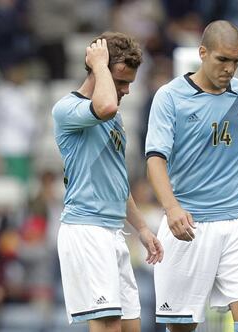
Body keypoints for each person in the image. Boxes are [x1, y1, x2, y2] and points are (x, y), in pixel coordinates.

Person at [145, 20, 238, 332]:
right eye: (223, 59)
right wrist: (172, 207)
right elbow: (154, 160)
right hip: (189, 223)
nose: (230, 68)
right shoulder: (170, 97)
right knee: (182, 327)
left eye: (236, 61)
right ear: (202, 53)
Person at [52, 32, 163, 332]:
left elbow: (118, 180)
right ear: (96, 69)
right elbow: (105, 106)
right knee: (109, 326)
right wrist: (100, 65)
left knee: (131, 326)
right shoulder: (68, 109)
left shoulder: (113, 119)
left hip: (112, 231)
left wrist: (141, 228)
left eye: (129, 83)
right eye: (120, 82)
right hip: (86, 229)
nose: (126, 90)